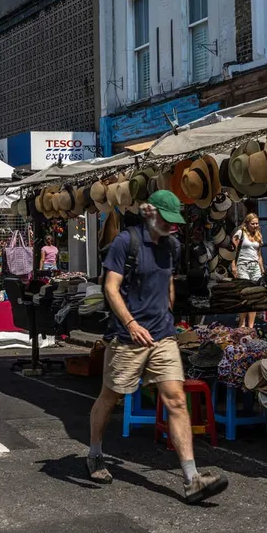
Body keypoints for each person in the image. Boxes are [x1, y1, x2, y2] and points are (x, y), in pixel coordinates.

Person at [87, 189, 228, 504]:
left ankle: (192, 479)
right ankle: (95, 452)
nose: (172, 226)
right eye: (167, 219)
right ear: (150, 213)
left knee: (176, 401)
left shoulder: (173, 246)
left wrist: (168, 314)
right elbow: (111, 288)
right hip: (127, 336)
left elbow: (168, 282)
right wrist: (131, 324)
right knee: (111, 398)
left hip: (162, 335)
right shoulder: (126, 242)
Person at [231, 212, 265, 330]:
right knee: (244, 295)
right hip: (243, 265)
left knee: (254, 296)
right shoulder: (240, 233)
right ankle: (242, 323)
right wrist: (233, 265)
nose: (255, 226)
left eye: (257, 224)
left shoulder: (258, 235)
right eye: (253, 223)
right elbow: (231, 250)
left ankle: (251, 326)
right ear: (247, 223)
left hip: (255, 266)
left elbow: (259, 255)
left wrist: (262, 270)